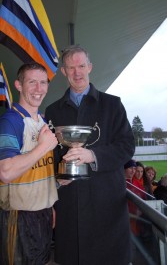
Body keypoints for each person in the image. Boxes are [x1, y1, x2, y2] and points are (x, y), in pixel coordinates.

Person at [45, 45, 135, 265]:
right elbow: (50, 156)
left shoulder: (112, 105)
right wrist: (59, 176)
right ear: (64, 72)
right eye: (71, 67)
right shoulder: (52, 111)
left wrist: (92, 155)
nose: (77, 72)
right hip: (69, 206)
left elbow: (126, 146)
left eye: (82, 66)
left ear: (90, 67)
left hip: (106, 205)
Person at [0, 63, 58, 265]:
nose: (39, 89)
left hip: (42, 215)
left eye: (43, 82)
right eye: (32, 82)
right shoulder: (10, 122)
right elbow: (6, 171)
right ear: (18, 85)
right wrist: (42, 147)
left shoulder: (42, 123)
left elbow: (38, 170)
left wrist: (49, 202)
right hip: (17, 219)